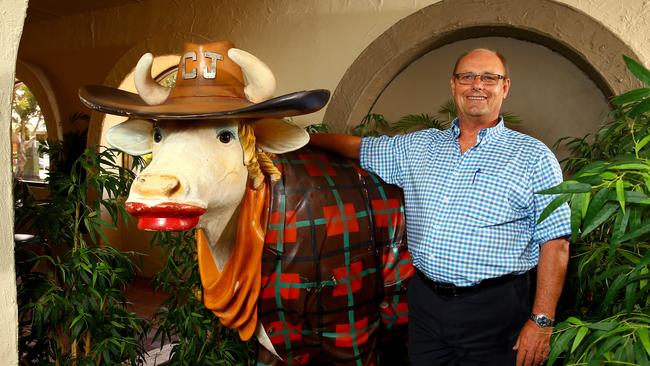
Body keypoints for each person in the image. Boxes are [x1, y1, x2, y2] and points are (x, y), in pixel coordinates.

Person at [309, 48, 571, 366]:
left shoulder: (533, 156)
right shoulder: (418, 146)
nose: (477, 85)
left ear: (505, 87)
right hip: (426, 305)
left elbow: (555, 243)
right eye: (467, 77)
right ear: (453, 86)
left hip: (497, 310)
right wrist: (299, 139)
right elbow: (358, 147)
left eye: (489, 77)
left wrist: (541, 321)